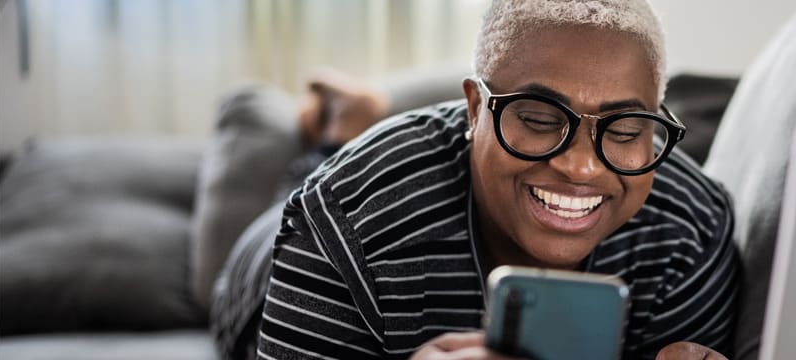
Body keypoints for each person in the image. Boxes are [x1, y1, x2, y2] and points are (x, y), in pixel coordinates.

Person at [255, 1, 739, 359]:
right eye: (538, 119)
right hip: (262, 264)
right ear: (474, 109)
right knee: (288, 194)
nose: (581, 167)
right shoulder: (339, 220)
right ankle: (339, 128)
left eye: (627, 129)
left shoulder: (691, 229)